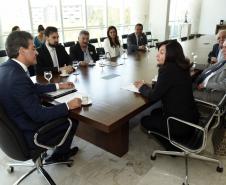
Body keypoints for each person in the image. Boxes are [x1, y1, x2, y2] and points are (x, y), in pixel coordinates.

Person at [0, 31, 82, 162]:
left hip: (12, 132)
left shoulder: (6, 68)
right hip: (30, 134)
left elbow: (31, 88)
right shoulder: (17, 78)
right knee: (71, 118)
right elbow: (38, 115)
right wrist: (68, 105)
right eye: (33, 48)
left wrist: (58, 86)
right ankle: (58, 156)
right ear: (21, 51)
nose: (37, 52)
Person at [134, 40, 199, 150]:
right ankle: (176, 137)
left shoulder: (167, 70)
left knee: (145, 120)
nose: (157, 55)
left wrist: (142, 87)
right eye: (158, 51)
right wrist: (151, 86)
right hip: (191, 119)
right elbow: (168, 87)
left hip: (179, 124)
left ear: (171, 54)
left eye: (162, 52)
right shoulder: (181, 66)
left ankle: (174, 146)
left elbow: (154, 96)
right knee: (155, 112)